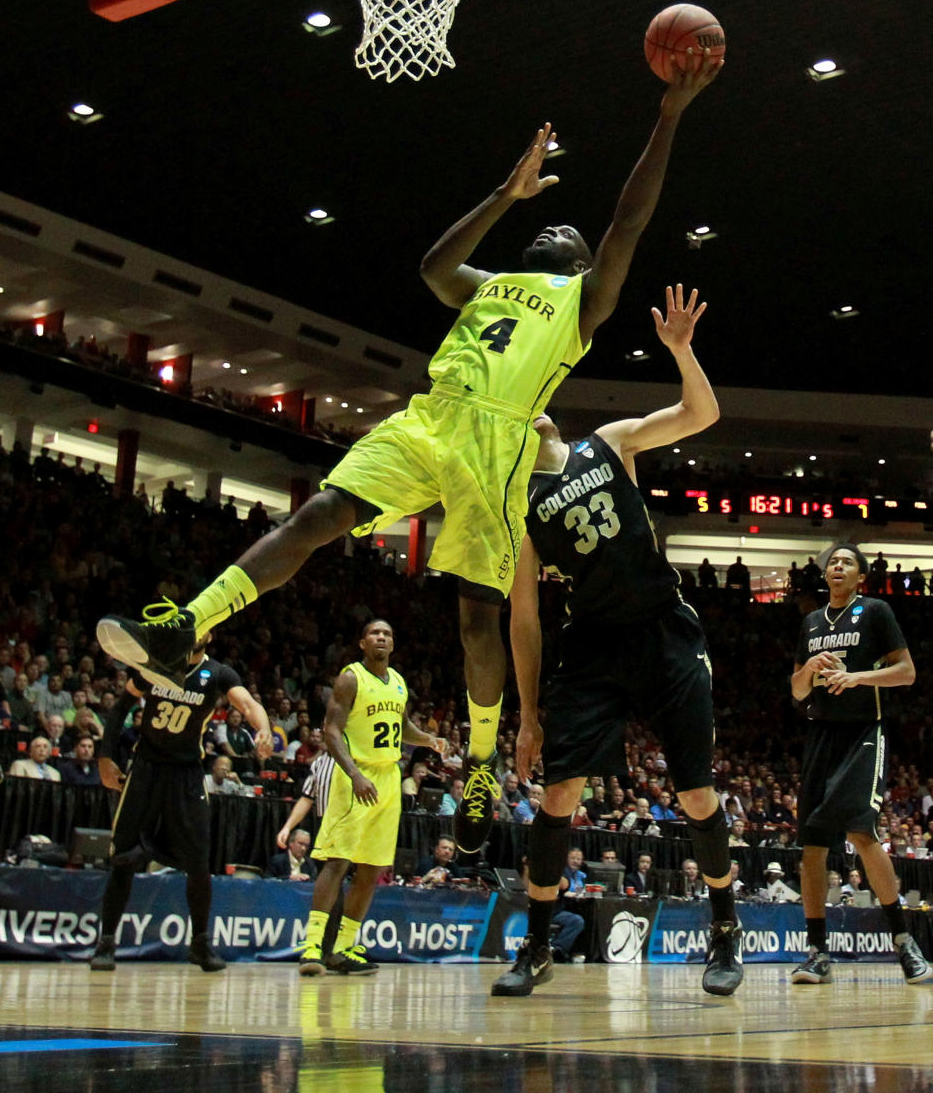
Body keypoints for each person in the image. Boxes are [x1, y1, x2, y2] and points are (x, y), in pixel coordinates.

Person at [97, 57, 722, 855]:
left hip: (499, 440)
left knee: (474, 620)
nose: (555, 230)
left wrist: (668, 114)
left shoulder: (582, 304)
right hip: (429, 418)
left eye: (565, 232)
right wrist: (505, 193)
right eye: (549, 226)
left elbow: (627, 222)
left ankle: (485, 760)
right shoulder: (492, 283)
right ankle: (189, 626)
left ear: (577, 263)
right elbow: (432, 268)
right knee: (320, 511)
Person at [493, 286, 743, 1000]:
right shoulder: (519, 510)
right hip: (594, 647)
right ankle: (536, 944)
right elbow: (526, 619)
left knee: (697, 796)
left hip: (664, 631)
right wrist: (532, 715)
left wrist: (681, 351)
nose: (535, 407)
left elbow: (703, 413)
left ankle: (724, 933)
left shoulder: (609, 442)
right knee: (559, 793)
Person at [790, 544, 931, 986]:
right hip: (820, 736)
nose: (837, 566)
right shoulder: (811, 623)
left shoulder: (875, 612)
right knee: (811, 846)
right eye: (833, 562)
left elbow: (906, 672)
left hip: (863, 734)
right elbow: (796, 692)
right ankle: (817, 952)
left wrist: (857, 677)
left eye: (847, 562)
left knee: (860, 831)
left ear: (860, 577)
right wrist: (810, 668)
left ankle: (904, 943)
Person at [89, 635, 272, 974]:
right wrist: (104, 757)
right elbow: (120, 709)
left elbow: (247, 704)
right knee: (123, 856)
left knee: (199, 862)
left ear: (211, 634)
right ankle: (106, 942)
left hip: (187, 774)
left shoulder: (217, 673)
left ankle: (200, 944)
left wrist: (262, 727)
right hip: (145, 768)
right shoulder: (156, 663)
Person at [299, 620, 444, 975]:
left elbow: (403, 724)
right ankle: (313, 947)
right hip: (356, 775)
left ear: (393, 645)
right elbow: (331, 731)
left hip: (389, 778)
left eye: (388, 634)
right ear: (363, 643)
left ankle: (344, 948)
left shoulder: (397, 681)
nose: (382, 638)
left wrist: (427, 739)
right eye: (375, 634)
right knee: (337, 861)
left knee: (372, 867)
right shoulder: (351, 678)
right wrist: (355, 774)